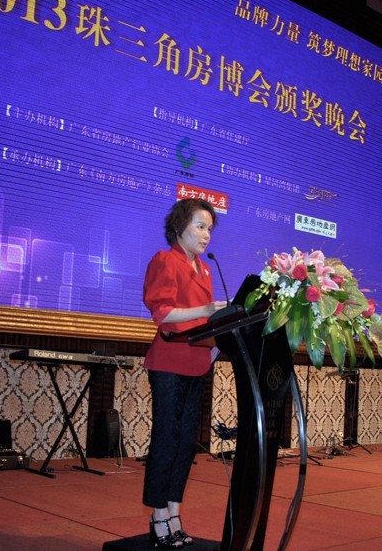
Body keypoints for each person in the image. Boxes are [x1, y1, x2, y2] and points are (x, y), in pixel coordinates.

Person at [142, 198, 228, 550]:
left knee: (187, 443)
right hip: (168, 363)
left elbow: (203, 320)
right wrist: (206, 309)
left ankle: (175, 512)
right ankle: (158, 515)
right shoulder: (165, 261)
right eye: (200, 226)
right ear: (180, 226)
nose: (206, 235)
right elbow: (162, 313)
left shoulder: (204, 269)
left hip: (197, 363)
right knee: (166, 439)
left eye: (209, 229)